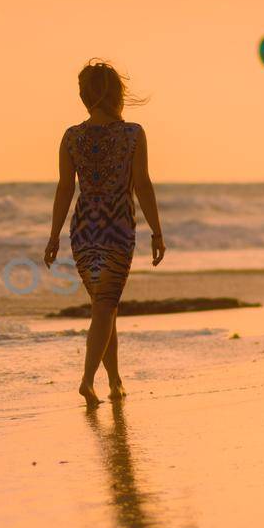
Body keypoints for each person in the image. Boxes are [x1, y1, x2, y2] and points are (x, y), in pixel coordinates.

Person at [44, 59, 164, 404]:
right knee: (106, 305)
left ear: (85, 96)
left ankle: (114, 381)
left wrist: (54, 237)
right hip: (117, 229)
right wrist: (157, 232)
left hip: (82, 230)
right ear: (116, 95)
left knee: (103, 305)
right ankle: (87, 380)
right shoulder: (132, 134)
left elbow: (65, 189)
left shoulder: (71, 136)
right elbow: (142, 184)